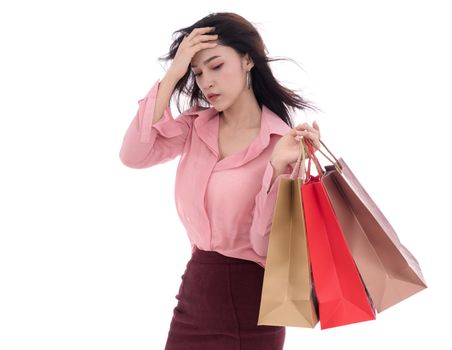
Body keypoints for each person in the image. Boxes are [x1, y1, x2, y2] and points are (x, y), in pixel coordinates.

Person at [119, 12, 321, 350]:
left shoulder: (281, 143)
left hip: (251, 303)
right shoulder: (196, 126)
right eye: (196, 73)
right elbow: (133, 155)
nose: (206, 82)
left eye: (216, 66)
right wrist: (173, 73)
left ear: (247, 60)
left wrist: (274, 167)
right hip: (195, 293)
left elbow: (265, 245)